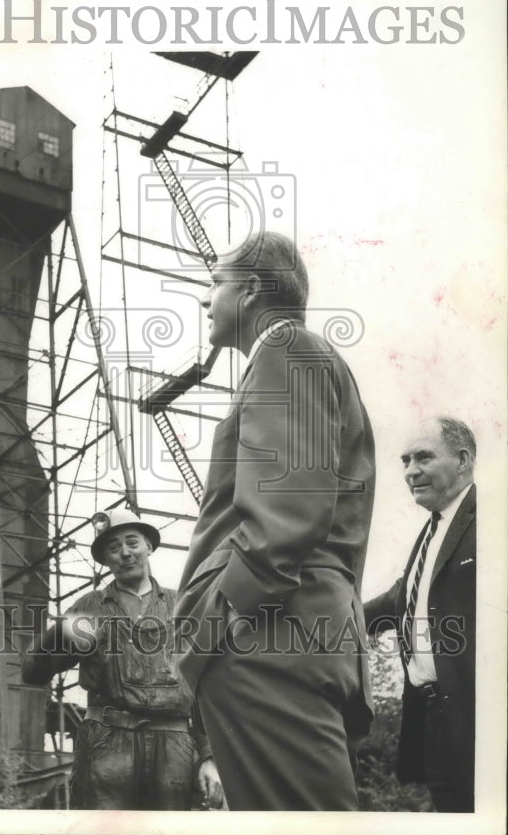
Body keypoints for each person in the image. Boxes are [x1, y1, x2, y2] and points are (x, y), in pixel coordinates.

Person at [174, 231, 376, 811]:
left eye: (215, 283)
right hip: (284, 637)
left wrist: (214, 623)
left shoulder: (287, 349)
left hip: (267, 643)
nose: (205, 300)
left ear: (252, 290)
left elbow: (286, 517)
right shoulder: (297, 355)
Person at [21, 509, 224, 811]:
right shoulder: (88, 607)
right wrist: (59, 633)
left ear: (149, 547)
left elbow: (202, 688)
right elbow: (32, 673)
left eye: (132, 543)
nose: (125, 553)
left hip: (172, 748)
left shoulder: (182, 606)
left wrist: (209, 756)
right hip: (107, 745)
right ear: (105, 560)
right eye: (113, 548)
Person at [365, 417, 476, 812]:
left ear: (462, 461)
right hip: (434, 720)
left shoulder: (491, 521)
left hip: (479, 721)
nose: (411, 471)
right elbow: (400, 601)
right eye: (406, 460)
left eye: (424, 457)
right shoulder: (433, 532)